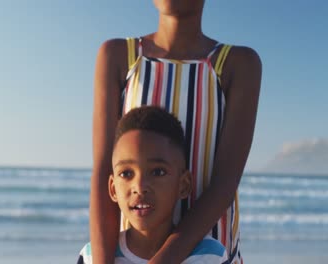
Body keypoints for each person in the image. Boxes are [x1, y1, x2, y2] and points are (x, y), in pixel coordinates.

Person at [90, 1, 262, 263]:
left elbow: (225, 182)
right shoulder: (118, 56)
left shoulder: (236, 64)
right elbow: (105, 171)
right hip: (131, 255)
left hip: (210, 255)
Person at [79, 106, 228, 263]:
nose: (140, 186)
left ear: (183, 185)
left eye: (158, 172)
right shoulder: (91, 257)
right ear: (113, 188)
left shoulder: (210, 256)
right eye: (126, 174)